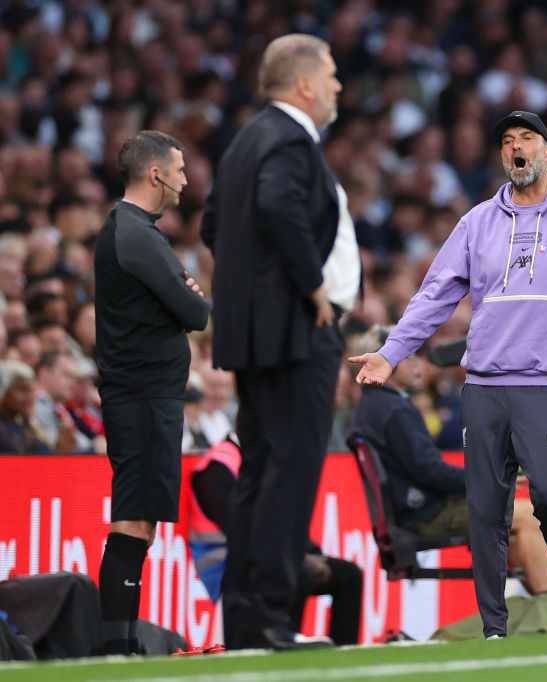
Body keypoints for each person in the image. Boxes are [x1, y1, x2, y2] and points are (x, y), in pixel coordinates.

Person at [349, 110, 547, 639]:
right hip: (486, 386)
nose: (516, 147)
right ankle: (494, 630)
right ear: (503, 156)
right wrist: (392, 351)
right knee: (486, 513)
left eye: (527, 139)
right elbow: (435, 295)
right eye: (507, 141)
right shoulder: (476, 222)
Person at [201, 34, 358, 650]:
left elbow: (216, 224)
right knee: (289, 473)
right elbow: (277, 206)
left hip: (258, 336)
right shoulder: (291, 139)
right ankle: (269, 615)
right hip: (299, 334)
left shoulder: (246, 140)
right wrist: (310, 287)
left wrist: (251, 293)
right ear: (304, 85)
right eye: (333, 75)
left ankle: (246, 617)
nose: (339, 86)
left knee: (262, 471)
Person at [94, 130, 210, 655]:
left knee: (140, 521)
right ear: (155, 174)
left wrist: (187, 293)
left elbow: (190, 303)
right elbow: (195, 310)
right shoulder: (135, 235)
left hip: (148, 395)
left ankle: (121, 642)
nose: (186, 181)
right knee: (133, 519)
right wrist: (188, 295)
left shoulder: (140, 231)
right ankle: (115, 647)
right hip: (140, 395)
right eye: (180, 171)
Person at [347, 326, 547, 597]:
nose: (417, 363)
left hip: (409, 512)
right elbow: (429, 471)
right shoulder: (395, 410)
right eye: (409, 356)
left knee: (516, 524)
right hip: (424, 515)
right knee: (528, 515)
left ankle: (534, 604)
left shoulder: (372, 406)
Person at [188, 435, 363, 645]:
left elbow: (286, 522)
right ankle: (285, 644)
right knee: (297, 574)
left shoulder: (267, 461)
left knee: (348, 575)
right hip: (230, 565)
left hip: (271, 555)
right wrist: (299, 559)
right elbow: (239, 529)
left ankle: (343, 660)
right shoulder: (218, 465)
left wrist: (313, 554)